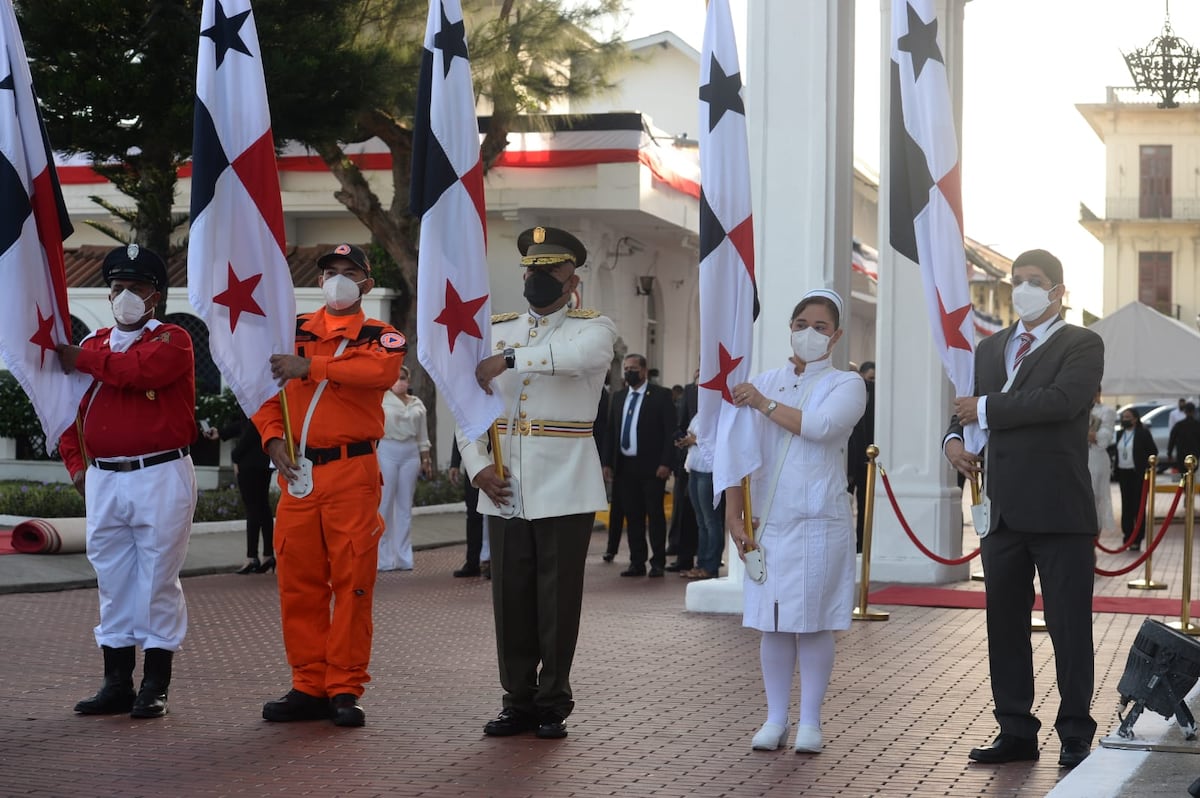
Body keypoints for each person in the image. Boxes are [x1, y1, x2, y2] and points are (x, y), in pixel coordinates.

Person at [943, 248, 1104, 769]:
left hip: (1059, 510)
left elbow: (1061, 401)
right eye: (1017, 280)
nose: (1023, 288)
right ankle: (1015, 729)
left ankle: (1076, 731)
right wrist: (951, 442)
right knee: (1004, 625)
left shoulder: (1082, 343)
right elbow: (964, 410)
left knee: (1069, 626)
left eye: (1035, 281)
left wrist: (985, 408)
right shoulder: (990, 349)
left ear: (1058, 290)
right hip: (1002, 511)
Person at [457, 225, 616, 740]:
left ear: (573, 280)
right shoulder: (496, 327)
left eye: (551, 270)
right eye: (533, 269)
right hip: (504, 481)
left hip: (566, 483)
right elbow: (468, 407)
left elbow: (578, 362)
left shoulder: (594, 329)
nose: (539, 278)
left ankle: (553, 700)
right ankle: (517, 699)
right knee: (511, 598)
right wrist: (475, 463)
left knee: (557, 598)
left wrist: (507, 360)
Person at [252, 243, 405, 727]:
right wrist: (272, 437)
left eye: (349, 272)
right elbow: (263, 394)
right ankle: (308, 685)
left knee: (352, 582)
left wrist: (312, 367)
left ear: (367, 283)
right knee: (298, 583)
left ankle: (344, 687)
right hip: (298, 474)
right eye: (331, 272)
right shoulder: (292, 331)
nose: (338, 279)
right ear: (319, 282)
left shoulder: (382, 335)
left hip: (352, 472)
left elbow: (376, 372)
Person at [56, 244, 197, 719]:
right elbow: (67, 414)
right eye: (117, 287)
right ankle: (116, 681)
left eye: (136, 288)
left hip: (159, 471)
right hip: (105, 478)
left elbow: (139, 373)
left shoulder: (173, 339)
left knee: (158, 577)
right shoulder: (92, 344)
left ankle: (155, 682)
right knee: (112, 579)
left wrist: (81, 359)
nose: (125, 296)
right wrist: (77, 464)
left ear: (155, 294)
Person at [723, 288, 866, 754]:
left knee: (813, 621)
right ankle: (775, 717)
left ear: (836, 335)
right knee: (774, 622)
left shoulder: (846, 384)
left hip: (819, 519)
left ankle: (810, 722)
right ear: (790, 327)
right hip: (769, 521)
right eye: (802, 324)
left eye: (821, 327)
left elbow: (822, 428)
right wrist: (734, 513)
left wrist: (762, 403)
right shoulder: (764, 379)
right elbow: (736, 452)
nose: (809, 333)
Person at [602, 354, 677, 577]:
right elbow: (612, 431)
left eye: (633, 368)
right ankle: (637, 561)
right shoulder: (619, 397)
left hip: (653, 467)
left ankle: (658, 562)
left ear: (644, 371)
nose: (628, 372)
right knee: (632, 516)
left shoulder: (661, 396)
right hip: (625, 466)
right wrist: (607, 462)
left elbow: (669, 432)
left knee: (654, 516)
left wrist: (666, 462)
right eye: (626, 368)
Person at [204, 412, 275, 574]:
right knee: (263, 508)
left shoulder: (252, 394)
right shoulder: (260, 395)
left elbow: (252, 427)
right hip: (263, 460)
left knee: (253, 509)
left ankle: (252, 557)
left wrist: (235, 457)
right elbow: (245, 423)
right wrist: (221, 433)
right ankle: (267, 555)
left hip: (249, 462)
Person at [377, 366, 432, 572]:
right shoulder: (382, 400)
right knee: (384, 504)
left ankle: (404, 556)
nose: (400, 382)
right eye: (396, 378)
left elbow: (423, 436)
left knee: (404, 506)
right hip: (387, 449)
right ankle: (383, 557)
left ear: (408, 380)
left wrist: (426, 458)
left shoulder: (417, 403)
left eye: (403, 378)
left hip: (410, 452)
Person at [666, 378, 699, 572]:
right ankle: (683, 557)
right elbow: (681, 424)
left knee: (709, 518)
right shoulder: (691, 391)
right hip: (688, 463)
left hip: (711, 464)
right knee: (684, 510)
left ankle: (707, 560)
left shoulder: (723, 388)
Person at [1114, 407, 1158, 551]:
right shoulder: (1120, 434)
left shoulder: (1143, 433)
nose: (1125, 419)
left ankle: (1137, 539)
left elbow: (1153, 452)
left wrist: (1145, 467)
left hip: (1137, 475)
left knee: (1137, 507)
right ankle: (1127, 537)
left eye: (1128, 417)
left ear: (1135, 419)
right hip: (1123, 473)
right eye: (1123, 417)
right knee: (1126, 507)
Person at [449, 437, 489, 578]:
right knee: (473, 514)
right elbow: (460, 430)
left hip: (496, 460)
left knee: (495, 514)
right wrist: (455, 463)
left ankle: (491, 562)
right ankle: (472, 562)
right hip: (473, 464)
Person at [846, 360, 876, 552]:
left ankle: (862, 548)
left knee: (865, 508)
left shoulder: (873, 394)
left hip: (868, 462)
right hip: (846, 463)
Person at [1087, 393, 1117, 538]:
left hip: (1096, 459)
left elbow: (1102, 438)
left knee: (1096, 498)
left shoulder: (1107, 411)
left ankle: (1094, 539)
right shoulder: (1076, 408)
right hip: (1077, 459)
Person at [1167, 402, 1200, 471]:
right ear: (1194, 411)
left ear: (1185, 412)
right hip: (1194, 454)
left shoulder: (1179, 425)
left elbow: (1172, 439)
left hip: (1181, 455)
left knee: (1183, 474)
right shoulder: (1197, 425)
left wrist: (1169, 453)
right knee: (1192, 473)